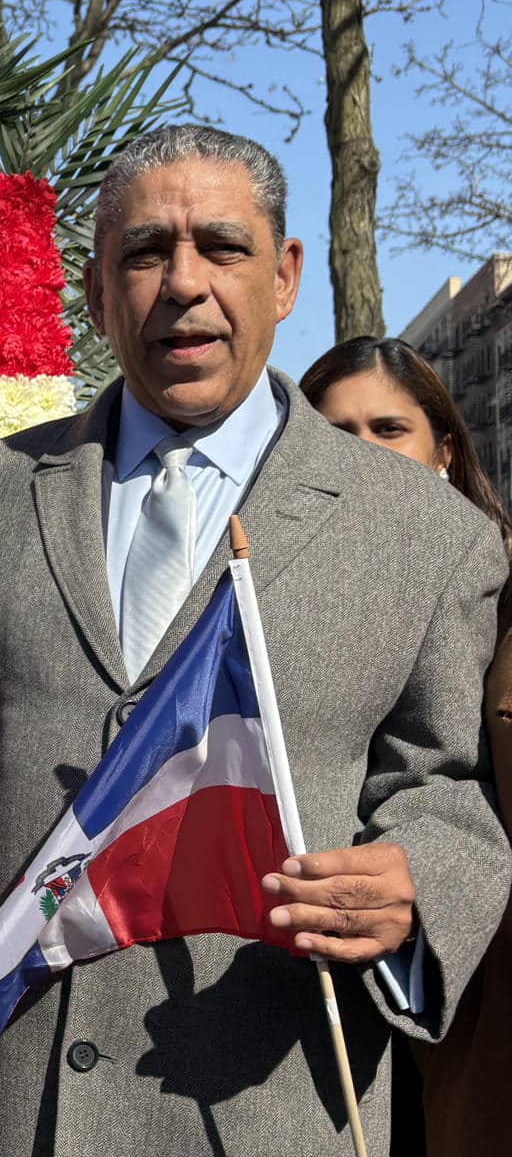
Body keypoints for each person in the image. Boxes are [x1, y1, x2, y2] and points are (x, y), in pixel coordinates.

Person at [0, 124, 511, 1155]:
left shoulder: (428, 537)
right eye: (148, 250)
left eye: (223, 246)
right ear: (96, 287)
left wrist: (417, 880)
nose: (184, 283)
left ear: (287, 275)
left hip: (268, 1102)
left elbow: (448, 787)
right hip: (8, 1098)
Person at [302, 336, 512, 1157]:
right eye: (336, 433)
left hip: (479, 1007)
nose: (364, 456)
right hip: (326, 1002)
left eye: (389, 429)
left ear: (445, 453)